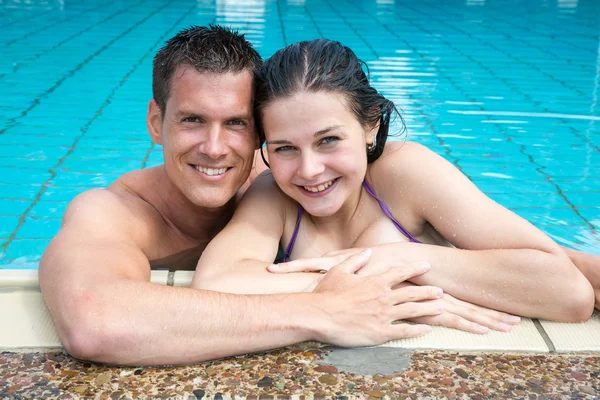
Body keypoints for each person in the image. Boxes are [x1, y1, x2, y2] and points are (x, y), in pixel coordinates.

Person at [39, 26, 452, 367]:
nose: (215, 148)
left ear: (261, 132)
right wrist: (323, 311)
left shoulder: (297, 181)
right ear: (155, 121)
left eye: (235, 123)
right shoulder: (113, 213)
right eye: (193, 120)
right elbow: (95, 320)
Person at [192, 39, 599, 327]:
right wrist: (368, 287)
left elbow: (568, 291)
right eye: (284, 148)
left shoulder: (406, 174)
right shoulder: (273, 194)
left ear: (370, 126)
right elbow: (216, 283)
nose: (310, 170)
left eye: (329, 140)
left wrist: (398, 259)